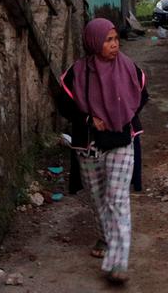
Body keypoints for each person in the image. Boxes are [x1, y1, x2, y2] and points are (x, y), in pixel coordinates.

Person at [58, 19, 149, 285]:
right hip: (90, 145)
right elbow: (64, 103)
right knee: (98, 199)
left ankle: (118, 261)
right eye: (108, 40)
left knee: (117, 199)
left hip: (121, 141)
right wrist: (88, 119)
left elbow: (142, 94)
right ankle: (106, 236)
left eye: (115, 39)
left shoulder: (129, 67)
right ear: (94, 42)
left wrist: (122, 114)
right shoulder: (77, 73)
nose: (114, 45)